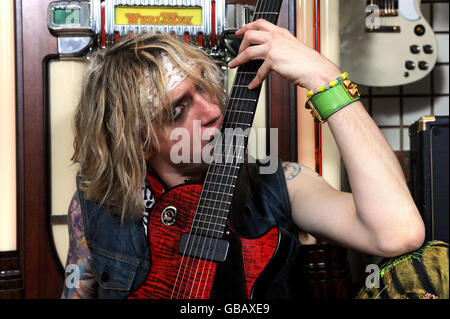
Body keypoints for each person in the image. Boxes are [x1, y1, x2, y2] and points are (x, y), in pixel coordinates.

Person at [61, 19, 439, 299]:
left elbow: (398, 233)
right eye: (178, 109)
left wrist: (327, 79)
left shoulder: (280, 182)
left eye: (205, 87)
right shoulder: (96, 202)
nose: (212, 111)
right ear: (139, 141)